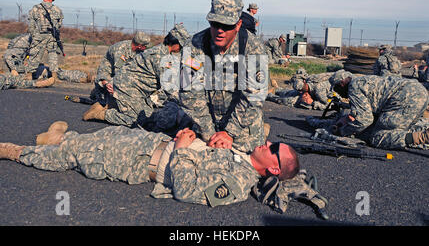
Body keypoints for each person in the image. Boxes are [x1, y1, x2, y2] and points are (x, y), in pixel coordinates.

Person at [0, 125, 300, 207]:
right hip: (150, 141)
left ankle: (16, 152)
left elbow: (186, 191)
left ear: (273, 169)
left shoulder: (237, 183)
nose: (267, 144)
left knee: (75, 157)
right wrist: (213, 142)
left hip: (140, 162)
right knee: (103, 134)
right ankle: (60, 137)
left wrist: (182, 150)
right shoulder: (241, 154)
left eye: (273, 149)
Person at [178, 0, 268, 154]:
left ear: (238, 24)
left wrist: (230, 133)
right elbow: (189, 93)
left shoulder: (254, 48)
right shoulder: (194, 46)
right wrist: (209, 133)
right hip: (204, 124)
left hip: (242, 127)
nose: (219, 31)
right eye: (215, 24)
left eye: (226, 26)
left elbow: (254, 96)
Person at [83, 24, 190, 127]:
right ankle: (101, 114)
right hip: (127, 88)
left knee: (148, 117)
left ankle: (115, 105)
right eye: (181, 46)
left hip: (136, 90)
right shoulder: (160, 57)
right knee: (135, 120)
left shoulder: (160, 52)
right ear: (175, 44)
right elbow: (169, 88)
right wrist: (188, 102)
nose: (181, 49)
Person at [327, 70, 429, 149]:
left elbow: (365, 120)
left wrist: (343, 131)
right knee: (399, 128)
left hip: (406, 97)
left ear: (341, 84)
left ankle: (423, 137)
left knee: (377, 137)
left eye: (336, 89)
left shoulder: (353, 88)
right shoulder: (363, 80)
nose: (338, 93)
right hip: (420, 91)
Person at [90, 31, 152, 105]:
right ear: (139, 45)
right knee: (112, 94)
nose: (146, 48)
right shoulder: (120, 49)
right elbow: (119, 75)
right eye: (145, 46)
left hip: (125, 74)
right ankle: (99, 90)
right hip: (109, 74)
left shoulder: (140, 52)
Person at [26, 0, 64, 79]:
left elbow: (31, 24)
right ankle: (54, 76)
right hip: (52, 36)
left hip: (39, 35)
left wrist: (34, 34)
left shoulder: (35, 8)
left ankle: (29, 76)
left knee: (35, 54)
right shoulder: (57, 9)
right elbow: (59, 24)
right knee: (53, 55)